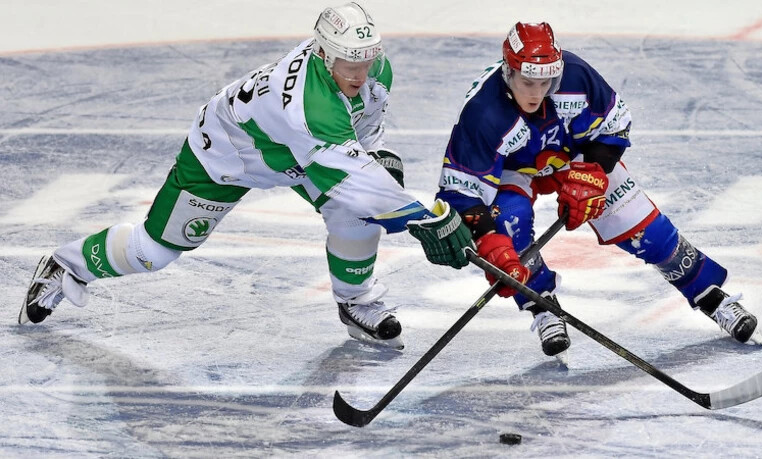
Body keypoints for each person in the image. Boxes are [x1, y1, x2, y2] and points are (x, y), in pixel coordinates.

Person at [19, 2, 474, 351]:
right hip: (227, 157)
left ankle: (356, 302)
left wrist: (376, 160)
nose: (360, 74)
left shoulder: (373, 72)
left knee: (355, 210)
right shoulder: (303, 104)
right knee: (154, 252)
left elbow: (360, 136)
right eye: (348, 63)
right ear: (321, 53)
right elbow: (348, 171)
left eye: (367, 61)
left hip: (300, 155)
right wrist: (426, 218)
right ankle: (66, 264)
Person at [435, 22, 762, 362]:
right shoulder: (483, 112)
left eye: (545, 82)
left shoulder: (576, 77)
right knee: (509, 228)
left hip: (574, 157)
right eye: (527, 82)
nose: (536, 92)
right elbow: (461, 192)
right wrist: (490, 242)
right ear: (508, 71)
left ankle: (713, 297)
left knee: (646, 230)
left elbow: (615, 125)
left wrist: (592, 171)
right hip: (510, 172)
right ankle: (542, 307)